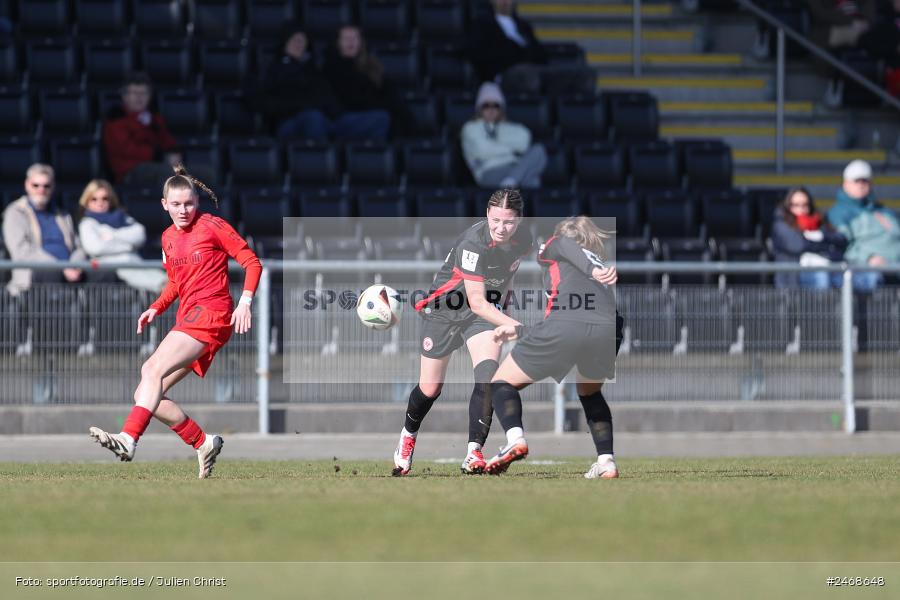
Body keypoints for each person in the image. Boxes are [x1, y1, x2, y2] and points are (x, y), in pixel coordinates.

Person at [88, 165, 262, 479]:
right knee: (147, 393)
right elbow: (175, 285)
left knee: (149, 370)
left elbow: (251, 262)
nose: (184, 210)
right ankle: (203, 441)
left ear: (197, 201)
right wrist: (155, 307)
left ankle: (128, 439)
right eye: (177, 204)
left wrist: (246, 302)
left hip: (212, 314)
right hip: (190, 316)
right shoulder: (168, 238)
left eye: (190, 203)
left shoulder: (212, 226)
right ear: (164, 204)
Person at [392, 189, 533, 476]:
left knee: (488, 378)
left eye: (508, 222)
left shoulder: (524, 240)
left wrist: (506, 314)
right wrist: (512, 324)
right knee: (430, 389)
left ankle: (474, 453)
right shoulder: (473, 243)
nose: (500, 228)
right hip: (444, 310)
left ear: (519, 221)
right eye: (495, 220)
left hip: (480, 316)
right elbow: (477, 300)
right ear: (486, 215)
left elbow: (507, 279)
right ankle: (407, 437)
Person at [484, 216, 621, 478]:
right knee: (591, 394)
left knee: (500, 384)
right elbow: (570, 319)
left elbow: (565, 323)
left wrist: (591, 269)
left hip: (571, 326)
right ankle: (607, 462)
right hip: (609, 329)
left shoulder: (557, 245)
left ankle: (515, 439)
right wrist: (520, 330)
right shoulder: (594, 264)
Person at [258, 24, 389, 142]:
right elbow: (264, 100)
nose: (298, 44)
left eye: (302, 40)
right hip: (290, 121)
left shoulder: (313, 68)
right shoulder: (272, 67)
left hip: (329, 119)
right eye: (294, 40)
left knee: (380, 118)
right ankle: (322, 163)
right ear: (285, 43)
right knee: (313, 117)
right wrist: (300, 105)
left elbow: (327, 97)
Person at [2, 163, 85, 296]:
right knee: (48, 274)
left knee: (99, 274)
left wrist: (75, 265)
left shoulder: (63, 215)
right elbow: (21, 251)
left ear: (53, 187)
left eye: (46, 186)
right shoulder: (15, 212)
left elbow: (78, 246)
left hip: (69, 273)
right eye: (36, 185)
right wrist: (59, 267)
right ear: (27, 185)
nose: (41, 190)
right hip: (36, 277)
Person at [76, 179, 168, 293]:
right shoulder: (87, 223)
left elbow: (140, 233)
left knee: (156, 274)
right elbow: (95, 248)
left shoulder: (121, 217)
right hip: (109, 264)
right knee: (156, 281)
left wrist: (112, 235)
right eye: (94, 199)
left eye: (105, 198)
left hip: (134, 261)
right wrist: (128, 246)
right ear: (87, 201)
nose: (100, 203)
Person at [827, 159, 900, 291]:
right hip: (873, 272)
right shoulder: (839, 213)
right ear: (846, 183)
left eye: (865, 181)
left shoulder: (883, 210)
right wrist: (868, 258)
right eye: (857, 181)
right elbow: (841, 246)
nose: (861, 185)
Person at [461, 82, 547, 189]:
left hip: (514, 168)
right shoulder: (470, 128)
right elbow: (482, 150)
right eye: (486, 105)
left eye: (496, 105)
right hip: (488, 171)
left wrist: (495, 144)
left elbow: (524, 142)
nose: (491, 110)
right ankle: (513, 183)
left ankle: (510, 182)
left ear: (501, 108)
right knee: (532, 180)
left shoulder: (508, 127)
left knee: (538, 150)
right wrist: (511, 150)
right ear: (479, 108)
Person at [102, 72, 181, 185]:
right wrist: (159, 155)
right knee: (166, 173)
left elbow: (167, 141)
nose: (139, 97)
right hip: (129, 172)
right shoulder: (116, 120)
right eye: (134, 93)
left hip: (159, 166)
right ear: (124, 96)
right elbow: (128, 150)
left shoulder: (155, 119)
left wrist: (174, 152)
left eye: (143, 93)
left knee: (206, 174)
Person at [322, 25, 396, 135]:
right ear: (338, 43)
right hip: (341, 119)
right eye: (346, 38)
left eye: (355, 38)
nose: (351, 42)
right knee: (382, 118)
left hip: (369, 116)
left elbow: (387, 94)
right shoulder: (329, 68)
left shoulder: (372, 67)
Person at [771, 187, 847, 289]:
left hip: (827, 269)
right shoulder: (781, 224)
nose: (801, 209)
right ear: (788, 206)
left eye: (805, 205)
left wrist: (822, 236)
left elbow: (840, 239)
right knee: (821, 277)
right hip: (793, 277)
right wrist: (826, 245)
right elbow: (799, 245)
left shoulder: (817, 220)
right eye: (796, 205)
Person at [467, 0, 548, 94]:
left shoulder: (524, 26)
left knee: (556, 76)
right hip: (502, 74)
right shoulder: (482, 24)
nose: (505, 1)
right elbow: (479, 53)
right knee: (526, 75)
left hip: (530, 68)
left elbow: (540, 53)